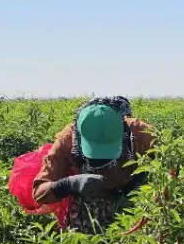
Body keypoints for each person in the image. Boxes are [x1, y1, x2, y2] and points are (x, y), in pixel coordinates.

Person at [31, 96, 157, 234]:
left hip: (132, 204)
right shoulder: (67, 140)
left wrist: (140, 180)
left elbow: (169, 167)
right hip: (87, 208)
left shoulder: (141, 134)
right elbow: (39, 192)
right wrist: (69, 184)